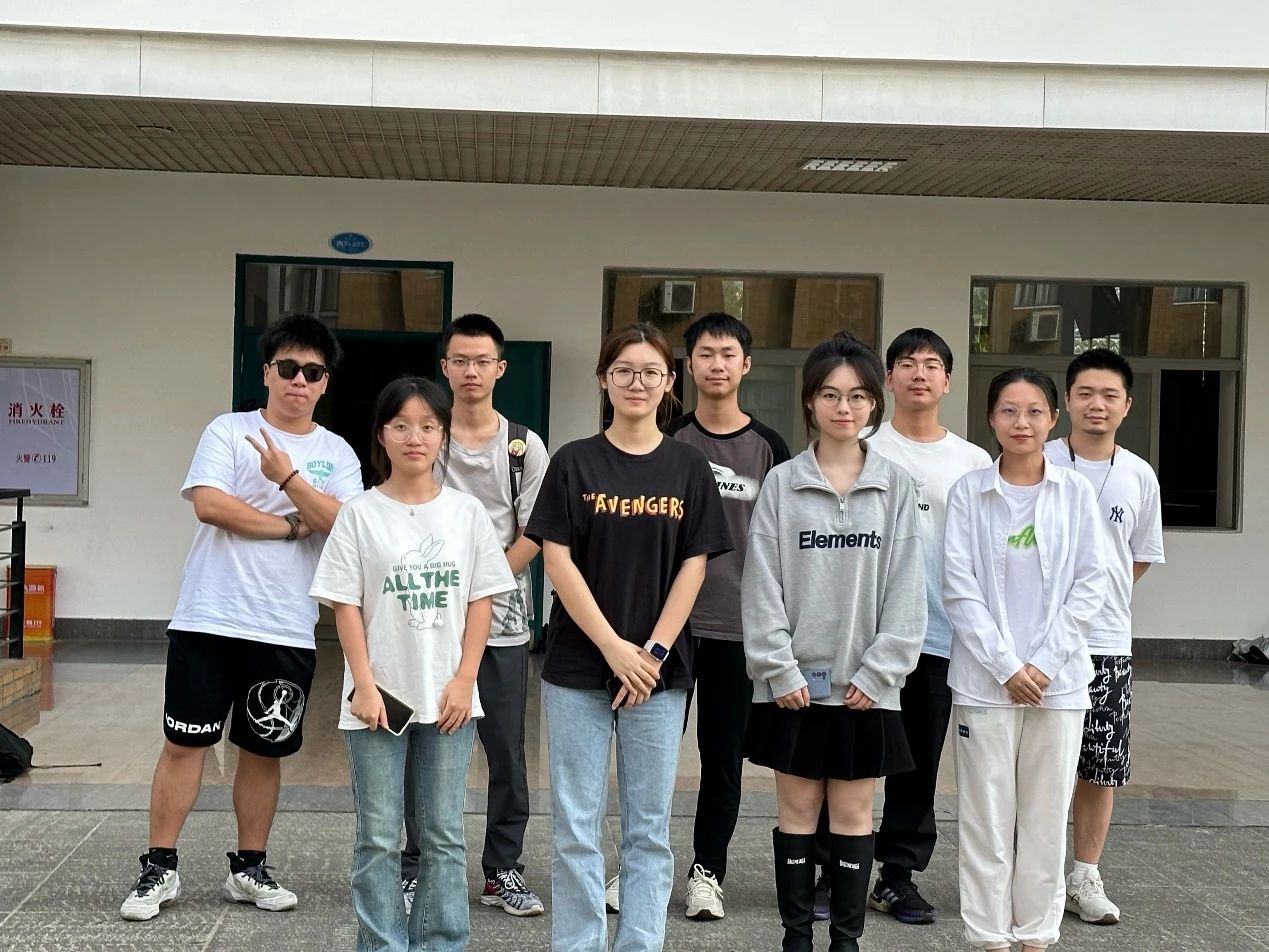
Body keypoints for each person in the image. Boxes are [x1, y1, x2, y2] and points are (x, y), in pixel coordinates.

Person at [121, 315, 363, 921]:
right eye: (289, 368)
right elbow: (210, 505)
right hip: (208, 616)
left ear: (325, 382)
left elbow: (344, 524)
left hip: (284, 624)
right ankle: (159, 867)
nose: (299, 381)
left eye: (313, 372)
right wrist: (290, 524)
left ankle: (249, 868)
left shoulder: (336, 452)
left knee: (263, 750)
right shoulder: (229, 430)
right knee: (185, 743)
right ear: (267, 372)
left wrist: (288, 481)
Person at [526, 321, 732, 952]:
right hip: (578, 668)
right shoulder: (573, 462)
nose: (636, 383)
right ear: (604, 380)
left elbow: (695, 564)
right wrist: (615, 649)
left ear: (669, 382)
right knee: (576, 826)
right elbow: (557, 560)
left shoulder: (688, 466)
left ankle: (641, 943)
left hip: (658, 676)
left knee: (648, 829)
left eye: (650, 372)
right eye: (623, 371)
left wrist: (653, 653)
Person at [310, 377, 516, 952]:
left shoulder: (466, 513)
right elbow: (345, 605)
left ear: (443, 435)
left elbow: (482, 600)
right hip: (379, 700)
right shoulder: (359, 513)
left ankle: (441, 942)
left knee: (444, 835)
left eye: (428, 426)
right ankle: (382, 943)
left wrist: (465, 680)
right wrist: (364, 684)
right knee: (378, 837)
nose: (415, 438)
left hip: (449, 697)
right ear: (382, 435)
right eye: (401, 426)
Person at [742, 332, 926, 952]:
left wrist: (880, 674)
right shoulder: (781, 484)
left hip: (864, 693)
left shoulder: (896, 486)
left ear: (874, 402)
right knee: (795, 816)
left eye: (857, 396)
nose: (843, 407)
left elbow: (908, 590)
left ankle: (846, 943)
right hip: (794, 690)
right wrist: (778, 668)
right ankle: (795, 941)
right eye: (829, 395)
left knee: (852, 817)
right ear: (810, 402)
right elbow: (761, 584)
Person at [943, 367, 1108, 952]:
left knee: (1044, 819)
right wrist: (1007, 667)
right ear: (991, 418)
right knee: (986, 820)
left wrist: (1041, 665)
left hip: (1058, 687)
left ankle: (1037, 936)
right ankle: (990, 937)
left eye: (1035, 411)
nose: (1022, 422)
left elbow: (1090, 584)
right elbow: (958, 587)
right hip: (984, 685)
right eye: (1009, 411)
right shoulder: (969, 492)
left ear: (1053, 419)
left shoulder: (1075, 493)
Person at [395, 314, 549, 918]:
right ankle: (417, 866)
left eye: (482, 361)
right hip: (429, 618)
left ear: (500, 368)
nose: (471, 371)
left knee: (506, 749)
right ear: (444, 367)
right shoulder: (428, 437)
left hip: (503, 621)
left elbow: (536, 531)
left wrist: (481, 585)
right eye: (460, 360)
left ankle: (502, 869)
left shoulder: (522, 446)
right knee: (423, 743)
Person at [661, 312, 790, 922]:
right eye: (706, 354)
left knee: (722, 761)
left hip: (737, 630)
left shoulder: (770, 448)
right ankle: (641, 866)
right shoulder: (666, 439)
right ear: (688, 365)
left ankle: (707, 873)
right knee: (651, 756)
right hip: (666, 629)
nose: (717, 364)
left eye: (728, 354)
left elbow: (783, 543)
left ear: (746, 365)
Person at [859, 329, 991, 925]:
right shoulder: (863, 446)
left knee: (916, 764)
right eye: (907, 363)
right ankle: (835, 870)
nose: (919, 373)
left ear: (947, 381)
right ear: (888, 378)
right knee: (851, 753)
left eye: (932, 365)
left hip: (937, 636)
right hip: (863, 636)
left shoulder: (972, 461)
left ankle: (897, 875)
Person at [1044, 349, 1164, 926]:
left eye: (1109, 395)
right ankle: (1036, 874)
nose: (1097, 404)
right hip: (1040, 643)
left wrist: (1093, 601)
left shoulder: (1139, 474)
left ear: (1126, 405)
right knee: (1039, 764)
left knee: (1100, 765)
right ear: (1067, 401)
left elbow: (1139, 557)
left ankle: (1085, 875)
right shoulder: (1036, 459)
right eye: (1086, 393)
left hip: (1108, 642)